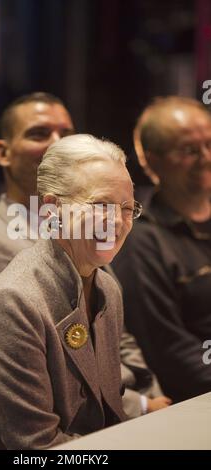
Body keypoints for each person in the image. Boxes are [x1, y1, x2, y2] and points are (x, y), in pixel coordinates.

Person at [0, 92, 169, 418]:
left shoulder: (91, 240)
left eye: (65, 134)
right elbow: (23, 366)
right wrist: (138, 407)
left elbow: (115, 338)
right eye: (39, 133)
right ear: (2, 152)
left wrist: (149, 397)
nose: (55, 143)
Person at [0, 134, 141, 449]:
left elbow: (109, 414)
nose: (117, 221)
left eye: (127, 207)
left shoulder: (108, 289)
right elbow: (37, 446)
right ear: (52, 209)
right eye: (101, 204)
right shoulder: (12, 302)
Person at [113, 96, 211, 403]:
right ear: (151, 161)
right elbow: (169, 350)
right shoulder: (142, 242)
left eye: (210, 144)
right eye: (188, 150)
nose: (206, 157)